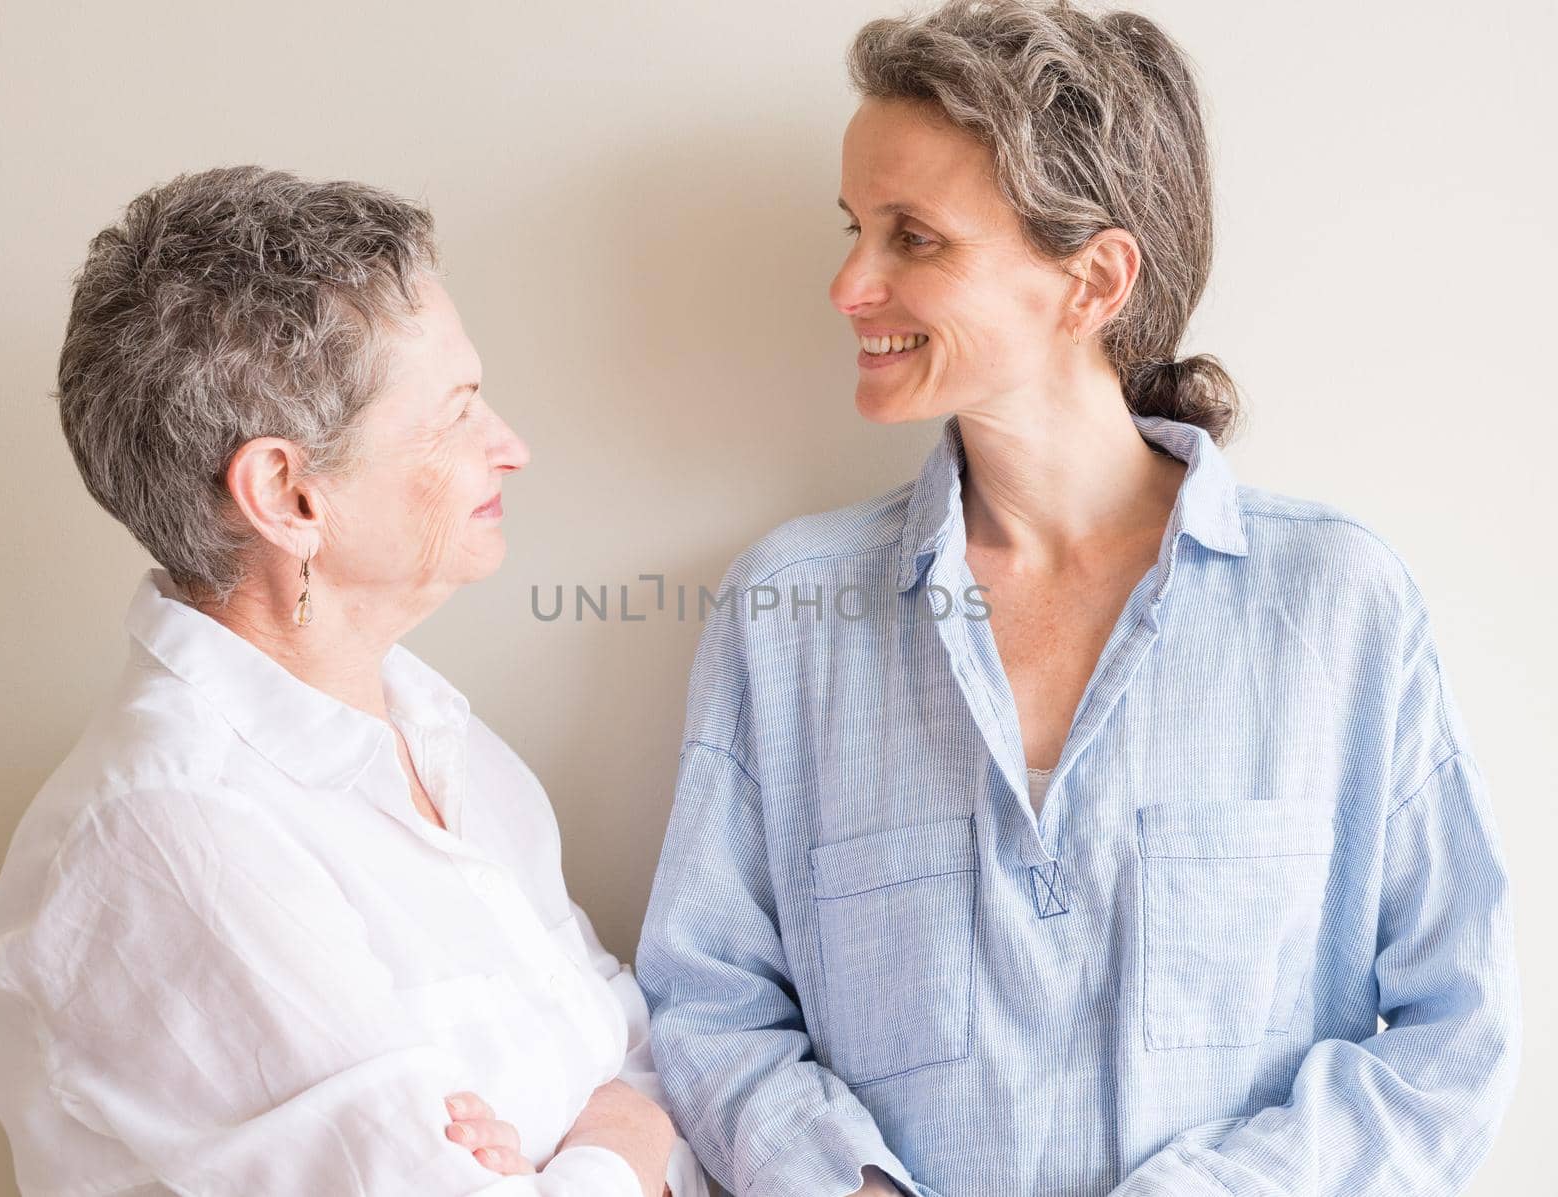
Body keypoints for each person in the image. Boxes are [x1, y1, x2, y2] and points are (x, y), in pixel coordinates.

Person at [636, 2, 1520, 1194]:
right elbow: (708, 1003)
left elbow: (1450, 1039)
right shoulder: (788, 614)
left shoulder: (1337, 607)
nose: (850, 283)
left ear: (1092, 279)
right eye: (854, 229)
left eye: (916, 238)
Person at [0, 166, 704, 1197]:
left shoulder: (439, 736)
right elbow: (635, 1109)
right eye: (455, 413)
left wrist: (591, 1145)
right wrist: (617, 1143)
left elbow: (653, 1064)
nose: (512, 447)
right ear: (288, 493)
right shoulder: (171, 836)